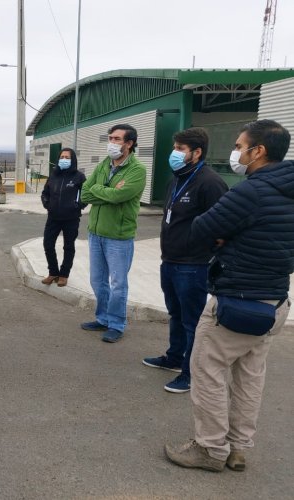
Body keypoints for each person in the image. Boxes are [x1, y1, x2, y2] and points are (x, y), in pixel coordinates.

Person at [165, 119, 293, 473]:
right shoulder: (287, 189)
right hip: (274, 300)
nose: (236, 153)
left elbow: (201, 230)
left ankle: (210, 448)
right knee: (250, 375)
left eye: (239, 146)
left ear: (259, 151)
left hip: (237, 299)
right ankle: (238, 447)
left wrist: (227, 238)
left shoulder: (250, 191)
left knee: (207, 370)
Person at [143, 128, 227, 393]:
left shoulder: (209, 182)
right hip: (170, 259)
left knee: (192, 321)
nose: (175, 153)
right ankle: (174, 357)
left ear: (197, 152)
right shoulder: (177, 178)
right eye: (175, 147)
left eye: (180, 148)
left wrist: (203, 249)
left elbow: (222, 225)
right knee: (176, 313)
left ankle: (191, 373)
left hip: (193, 264)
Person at [80, 124, 146, 343]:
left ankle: (116, 324)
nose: (112, 142)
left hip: (119, 237)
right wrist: (108, 193)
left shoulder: (137, 170)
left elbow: (120, 197)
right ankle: (103, 318)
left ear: (129, 143)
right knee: (98, 281)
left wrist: (104, 192)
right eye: (110, 138)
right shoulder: (103, 164)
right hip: (95, 233)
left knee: (118, 284)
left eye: (117, 139)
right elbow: (86, 194)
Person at [40, 148, 86, 287]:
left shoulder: (79, 177)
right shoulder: (53, 175)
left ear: (72, 160)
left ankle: (64, 275)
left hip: (71, 219)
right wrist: (47, 204)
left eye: (67, 157)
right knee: (48, 244)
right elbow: (45, 193)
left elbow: (86, 196)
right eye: (62, 157)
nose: (64, 160)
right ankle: (53, 272)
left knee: (68, 247)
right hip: (53, 217)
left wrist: (77, 206)